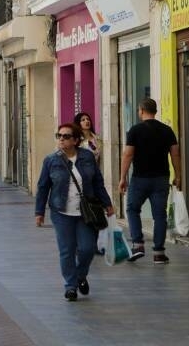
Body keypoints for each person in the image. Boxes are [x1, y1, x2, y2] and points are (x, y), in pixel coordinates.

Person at [35, 123, 114, 302]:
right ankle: (70, 286)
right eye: (59, 136)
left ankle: (80, 275)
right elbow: (43, 187)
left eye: (66, 136)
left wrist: (107, 203)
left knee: (87, 249)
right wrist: (39, 212)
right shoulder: (51, 160)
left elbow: (97, 182)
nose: (61, 139)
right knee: (67, 250)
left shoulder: (87, 157)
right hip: (61, 212)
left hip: (86, 212)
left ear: (76, 140)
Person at [119, 98, 181, 264]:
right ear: (156, 111)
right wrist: (178, 175)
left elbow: (128, 154)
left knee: (132, 209)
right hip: (161, 179)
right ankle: (159, 253)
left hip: (140, 178)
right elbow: (175, 154)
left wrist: (122, 177)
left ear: (141, 111)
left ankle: (138, 245)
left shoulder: (135, 130)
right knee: (160, 215)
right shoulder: (167, 130)